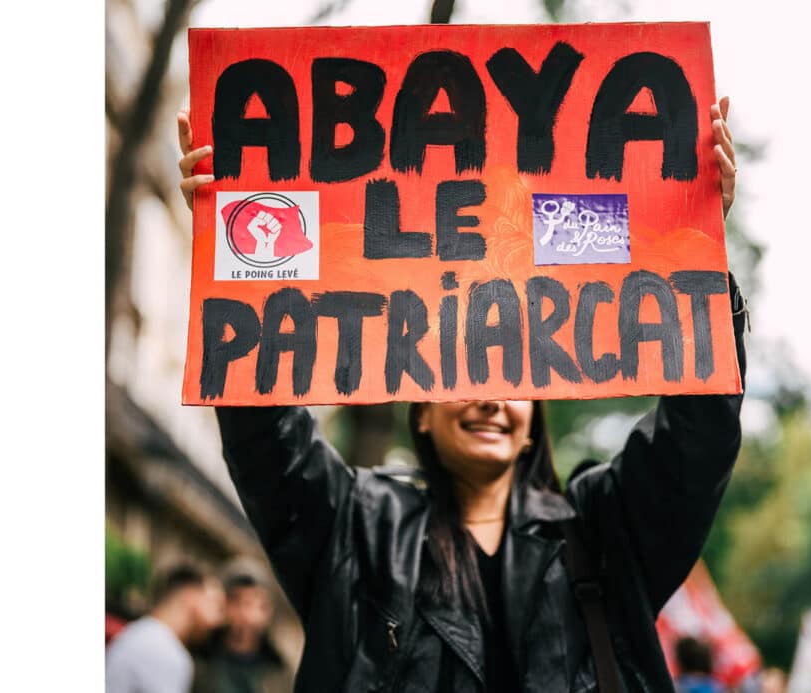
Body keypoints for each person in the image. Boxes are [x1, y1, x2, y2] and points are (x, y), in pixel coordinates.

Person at [178, 96, 744, 692]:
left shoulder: (606, 531)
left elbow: (696, 440)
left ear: (535, 414)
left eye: (513, 381)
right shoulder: (356, 529)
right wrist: (235, 245)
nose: (490, 399)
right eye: (466, 378)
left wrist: (696, 241)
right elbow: (267, 439)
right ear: (420, 412)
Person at [106, 564, 226, 693]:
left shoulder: (141, 633)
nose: (218, 621)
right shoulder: (165, 652)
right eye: (217, 606)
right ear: (191, 596)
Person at [192, 564, 295, 693]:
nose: (247, 615)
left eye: (257, 605)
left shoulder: (280, 673)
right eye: (238, 602)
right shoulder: (199, 664)